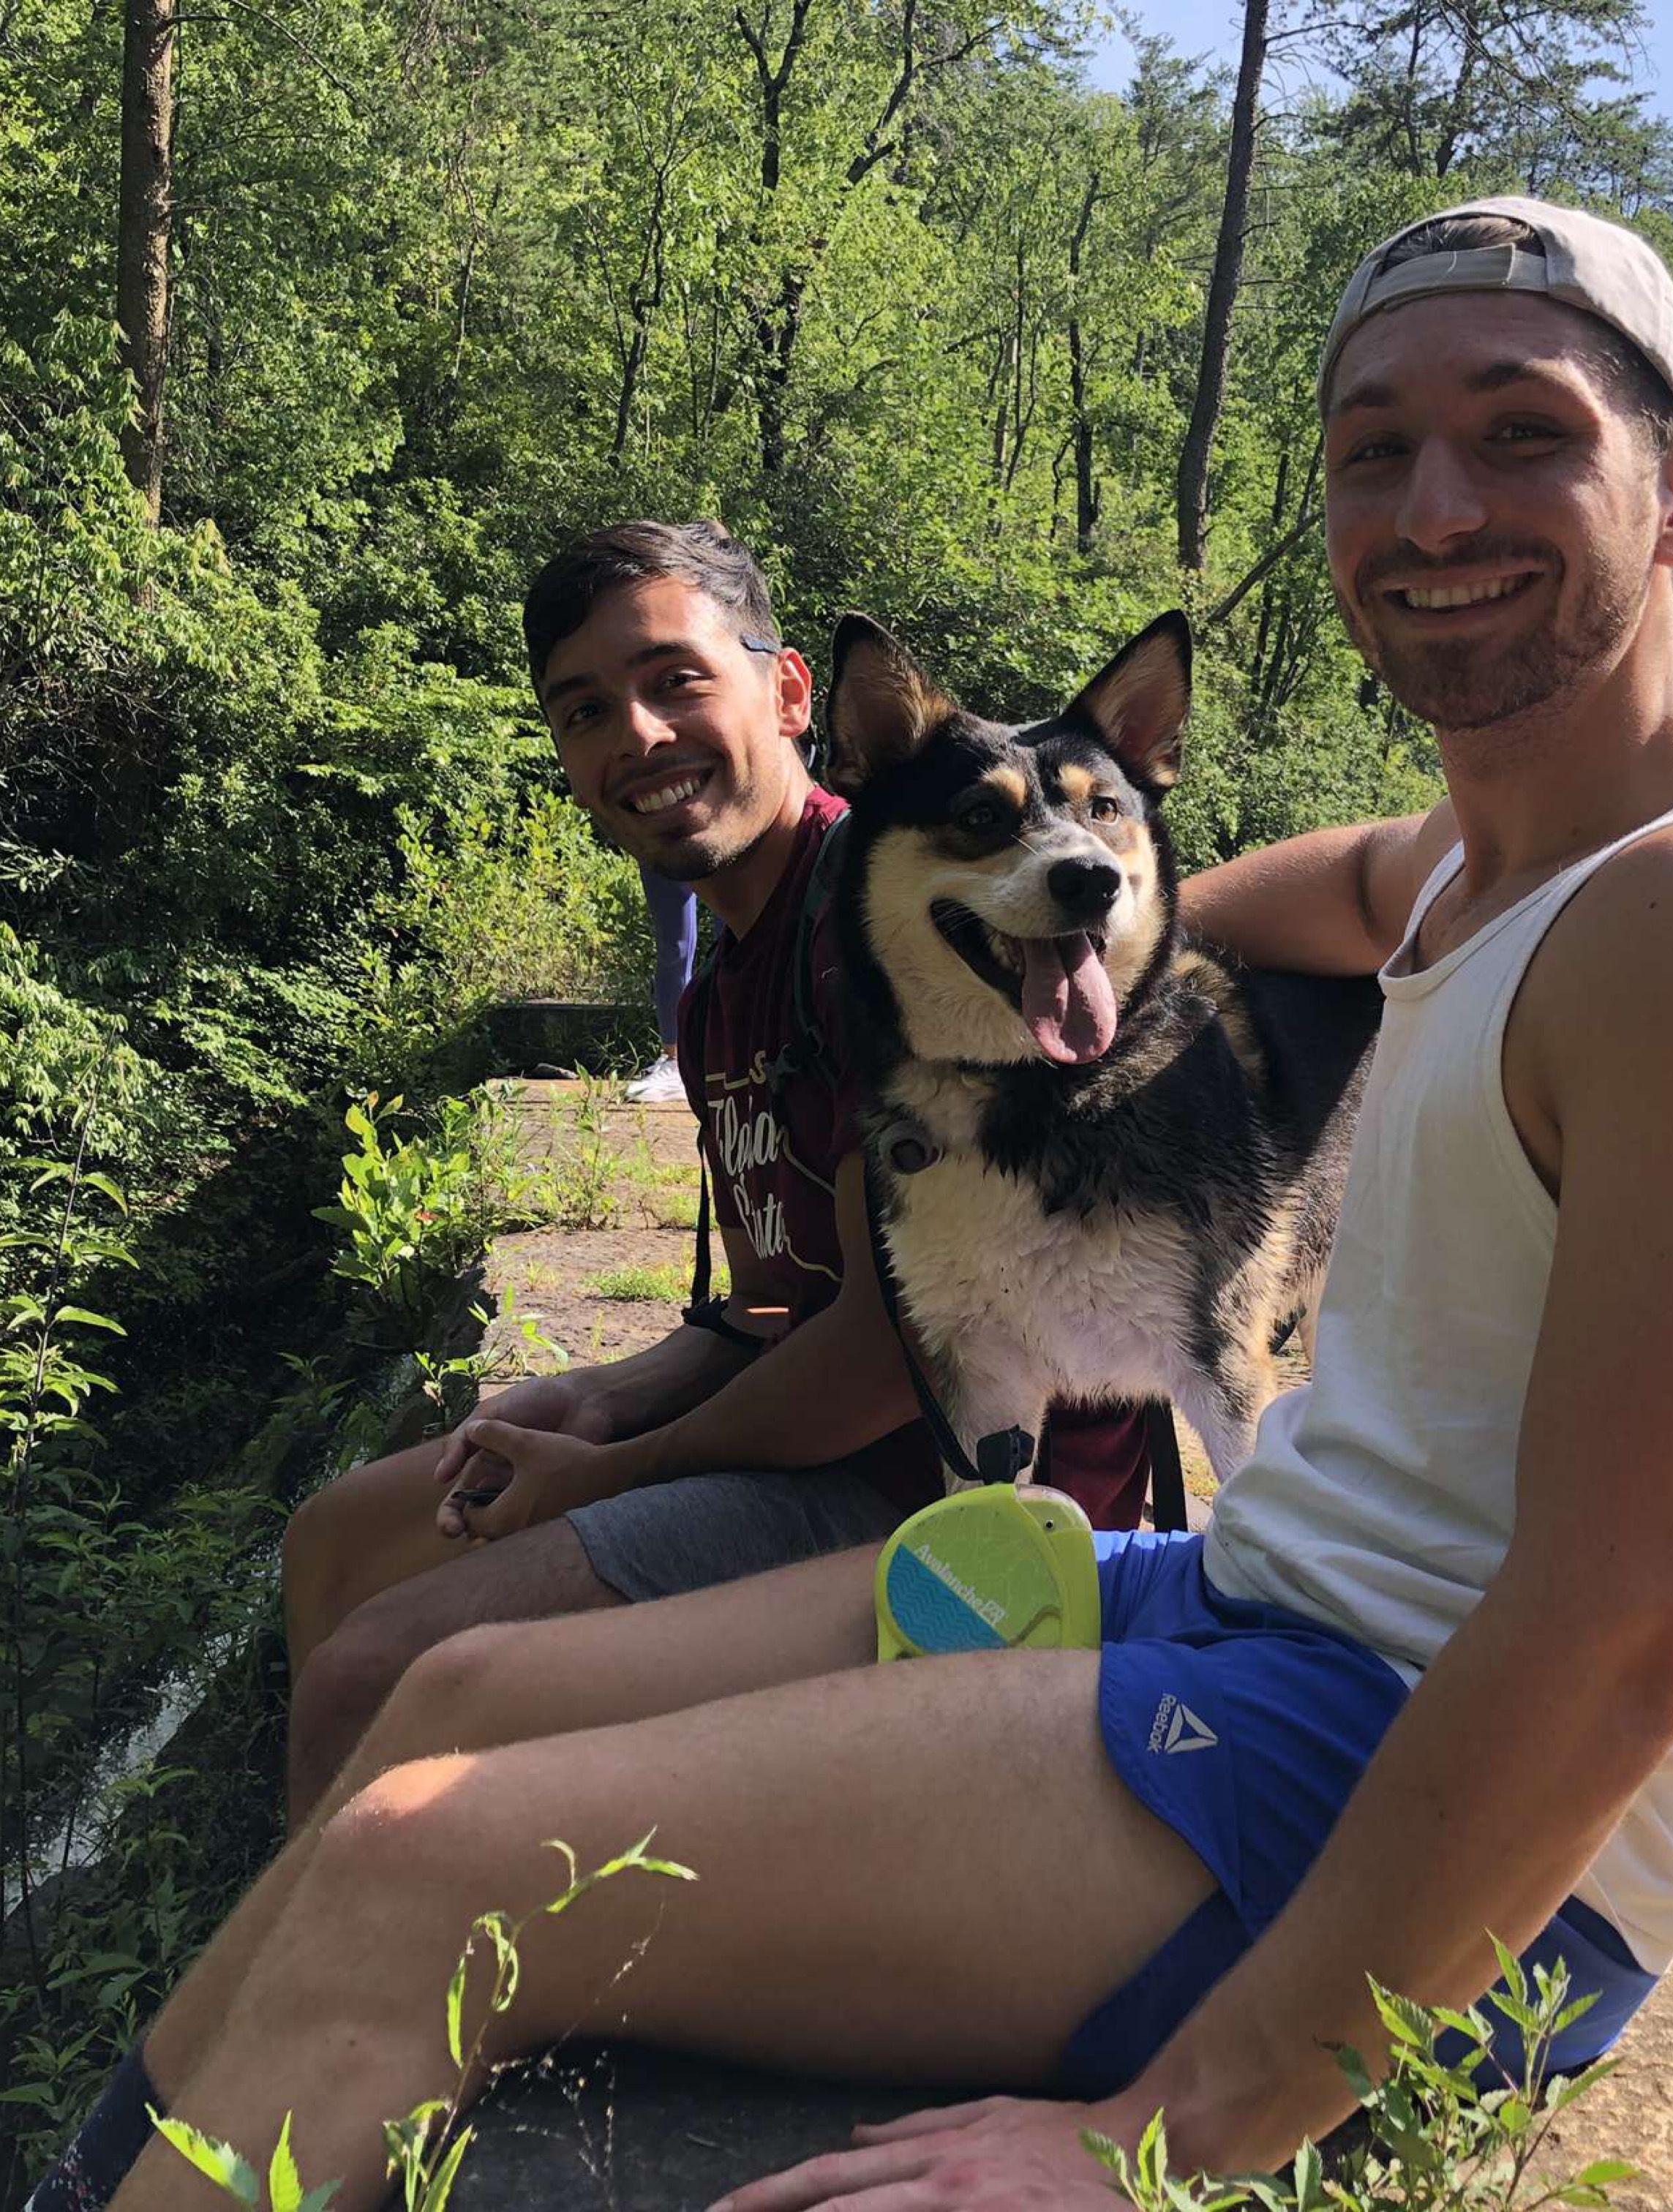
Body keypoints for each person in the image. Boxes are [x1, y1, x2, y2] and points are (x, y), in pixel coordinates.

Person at [42, 197, 1673, 2212]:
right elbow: (1264, 894)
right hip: (1245, 1600)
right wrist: (1077, 974)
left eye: (1524, 433)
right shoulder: (1472, 876)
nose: (1436, 506)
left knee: (422, 1872)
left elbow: (1628, 1636)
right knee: (447, 1695)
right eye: (1373, 449)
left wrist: (1173, 2131)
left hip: (1417, 1792)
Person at [274, 521, 1150, 1821]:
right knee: (336, 1538)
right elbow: (777, 1303)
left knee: (376, 1673)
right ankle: (326, 1875)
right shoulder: (726, 979)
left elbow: (890, 1355)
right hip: (827, 1451)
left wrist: (611, 1470)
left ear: (791, 694)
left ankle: (332, 1933)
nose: (635, 735)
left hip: (965, 1505)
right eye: (584, 709)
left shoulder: (886, 931)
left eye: (674, 679)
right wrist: (594, 1393)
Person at [625, 862, 697, 1103]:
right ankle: (676, 1062)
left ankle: (735, 1057)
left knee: (735, 936)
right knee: (673, 945)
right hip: (663, 845)